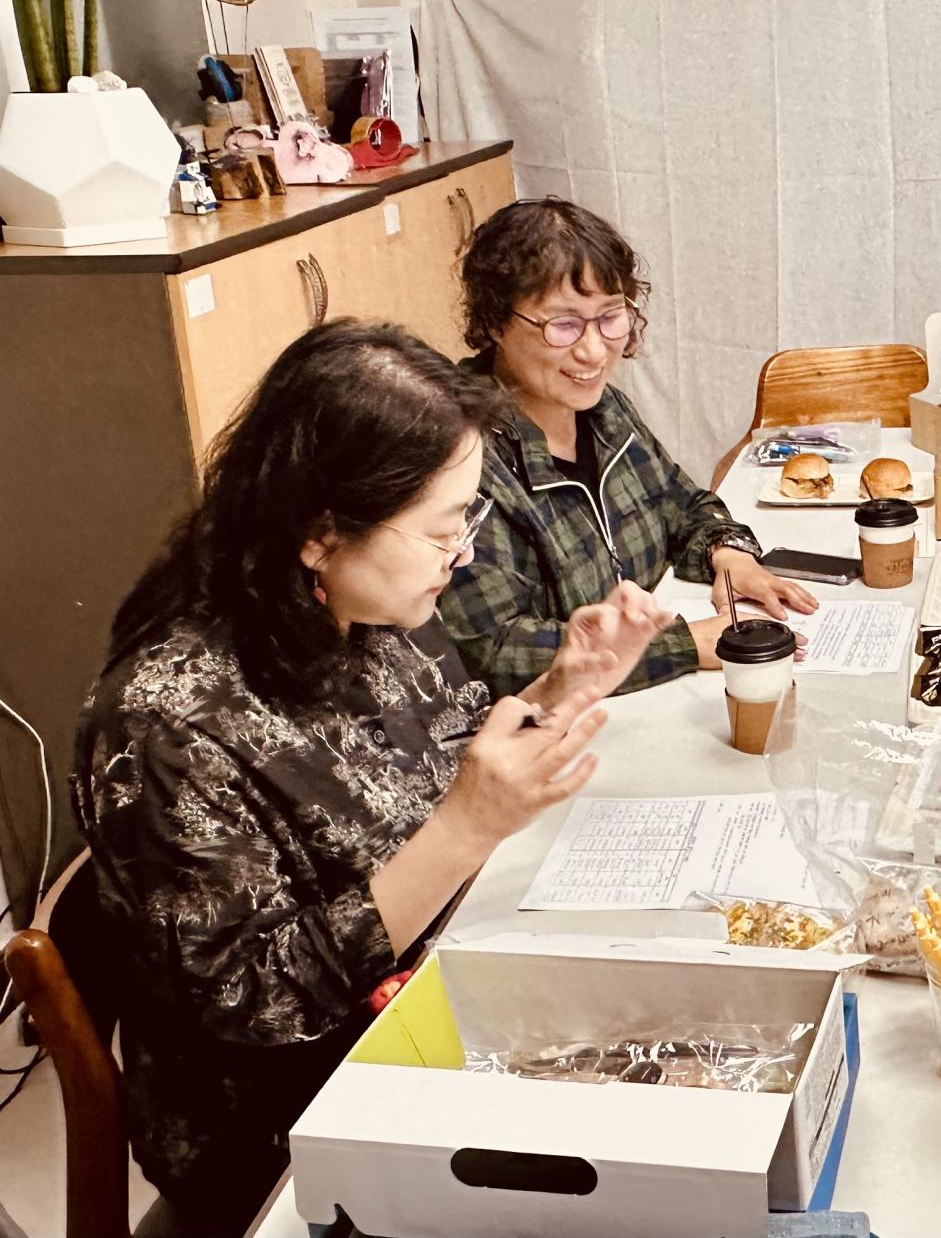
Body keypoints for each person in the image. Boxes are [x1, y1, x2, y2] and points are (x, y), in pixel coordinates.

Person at [71, 321, 672, 1235]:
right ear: (322, 533)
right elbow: (255, 1001)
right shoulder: (166, 725)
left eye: (468, 520)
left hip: (427, 1006)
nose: (463, 553)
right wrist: (465, 830)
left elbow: (444, 757)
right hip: (290, 1127)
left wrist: (562, 687)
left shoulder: (360, 612)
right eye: (441, 530)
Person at [440, 198, 816, 699]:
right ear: (494, 323)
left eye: (610, 317)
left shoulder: (605, 411)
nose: (594, 351)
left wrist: (728, 553)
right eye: (563, 325)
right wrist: (681, 644)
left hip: (649, 701)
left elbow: (683, 505)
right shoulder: (463, 454)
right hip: (567, 724)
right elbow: (493, 651)